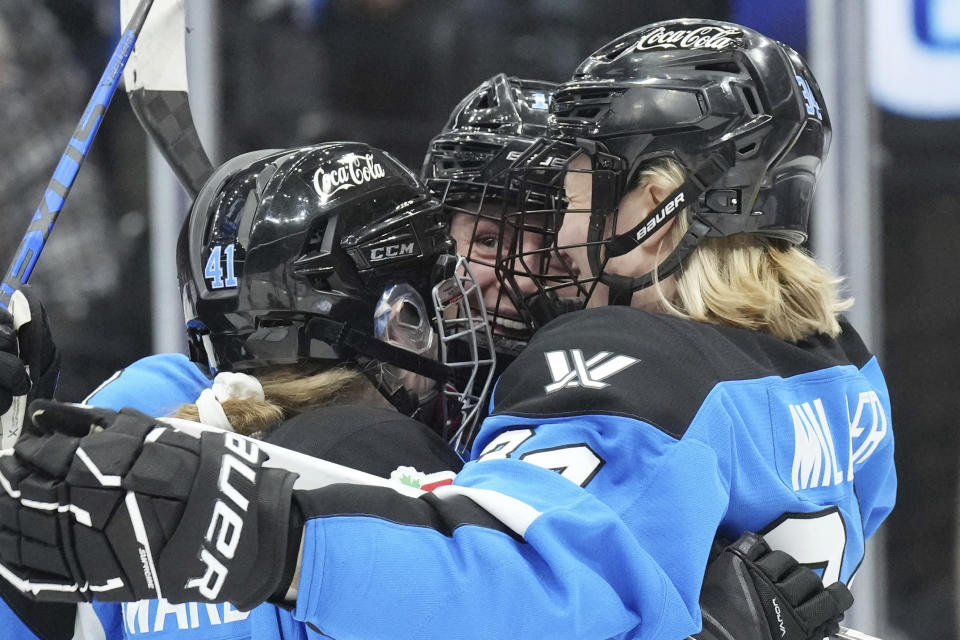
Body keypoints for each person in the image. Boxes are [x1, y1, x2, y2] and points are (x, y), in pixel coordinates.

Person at [0, 44, 860, 637]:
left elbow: (511, 581)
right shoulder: (836, 369)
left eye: (515, 235)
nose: (491, 279)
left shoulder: (610, 371)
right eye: (463, 251)